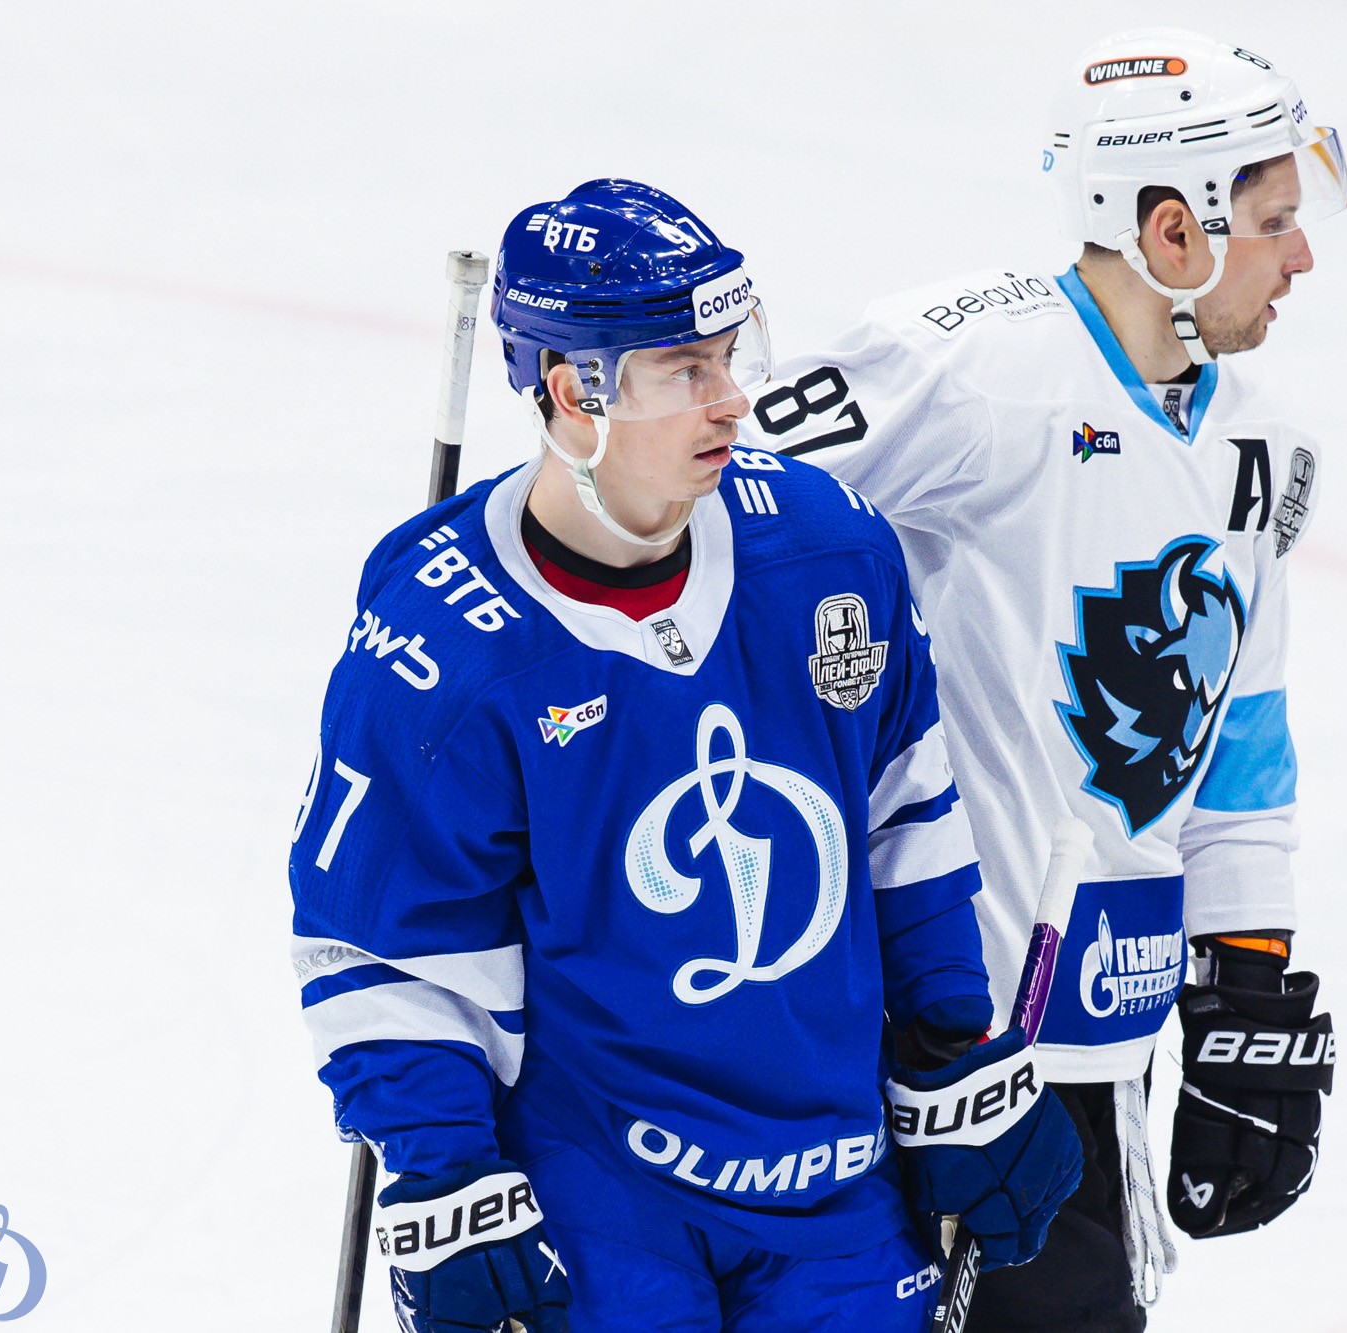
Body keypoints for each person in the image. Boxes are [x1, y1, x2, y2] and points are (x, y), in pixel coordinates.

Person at [289, 179, 1081, 1333]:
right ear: (575, 390)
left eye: (727, 354)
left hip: (833, 1171)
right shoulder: (444, 641)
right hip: (595, 1191)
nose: (731, 398)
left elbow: (904, 812)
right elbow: (384, 942)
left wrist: (948, 1037)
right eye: (684, 369)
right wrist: (443, 1170)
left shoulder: (827, 550)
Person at [752, 29, 1345, 1332]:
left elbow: (1239, 743)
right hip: (906, 1048)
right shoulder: (965, 369)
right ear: (1174, 229)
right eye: (1274, 221)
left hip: (1091, 1055)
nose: (1302, 255)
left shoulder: (1262, 449)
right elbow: (715, 509)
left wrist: (1245, 979)